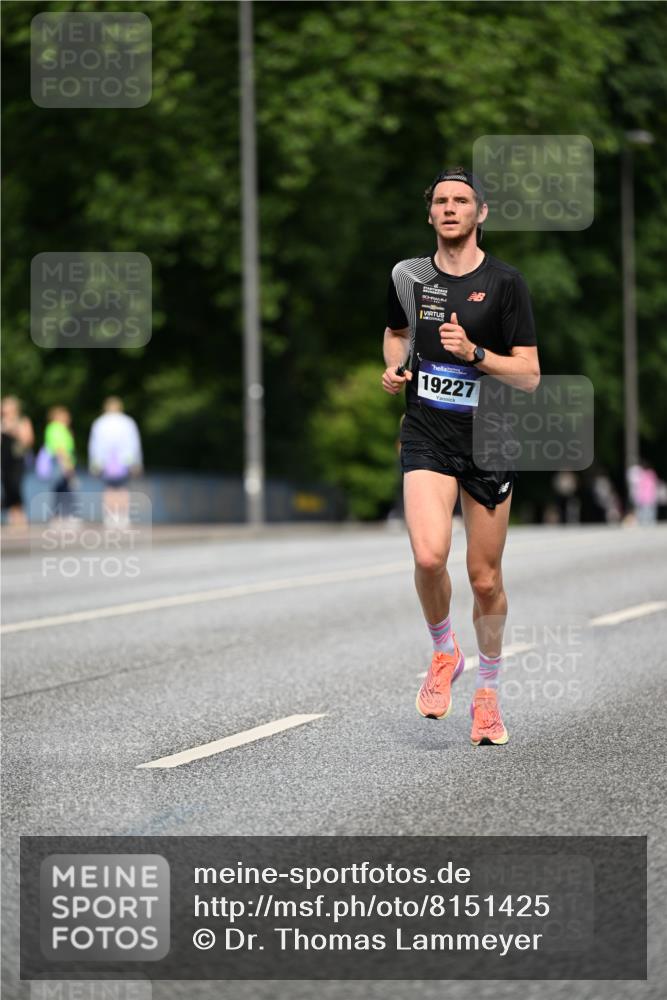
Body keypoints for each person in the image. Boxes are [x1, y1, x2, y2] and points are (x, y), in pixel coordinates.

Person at [381, 167, 540, 746]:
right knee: (428, 557)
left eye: (462, 201)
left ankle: (489, 694)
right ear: (430, 214)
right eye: (441, 202)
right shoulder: (409, 276)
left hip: (490, 437)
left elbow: (528, 375)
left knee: (485, 577)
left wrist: (476, 354)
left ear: (481, 213)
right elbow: (397, 331)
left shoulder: (505, 283)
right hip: (426, 431)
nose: (451, 209)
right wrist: (397, 366)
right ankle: (444, 650)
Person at [88, 396, 143, 528]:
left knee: (109, 489)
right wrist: (137, 462)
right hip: (125, 461)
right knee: (122, 489)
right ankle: (122, 516)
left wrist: (94, 463)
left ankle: (110, 517)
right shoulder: (128, 422)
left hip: (105, 462)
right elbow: (134, 443)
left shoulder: (99, 423)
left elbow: (95, 445)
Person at [1, 396, 35, 527]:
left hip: (18, 460)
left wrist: (13, 430)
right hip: (4, 460)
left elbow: (28, 440)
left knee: (16, 486)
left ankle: (20, 517)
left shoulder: (22, 421)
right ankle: (13, 518)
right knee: (7, 487)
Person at [43, 406, 77, 519]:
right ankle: (65, 515)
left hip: (60, 462)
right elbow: (60, 448)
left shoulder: (57, 428)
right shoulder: (56, 428)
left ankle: (60, 515)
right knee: (64, 489)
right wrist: (68, 465)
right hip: (60, 463)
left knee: (60, 489)